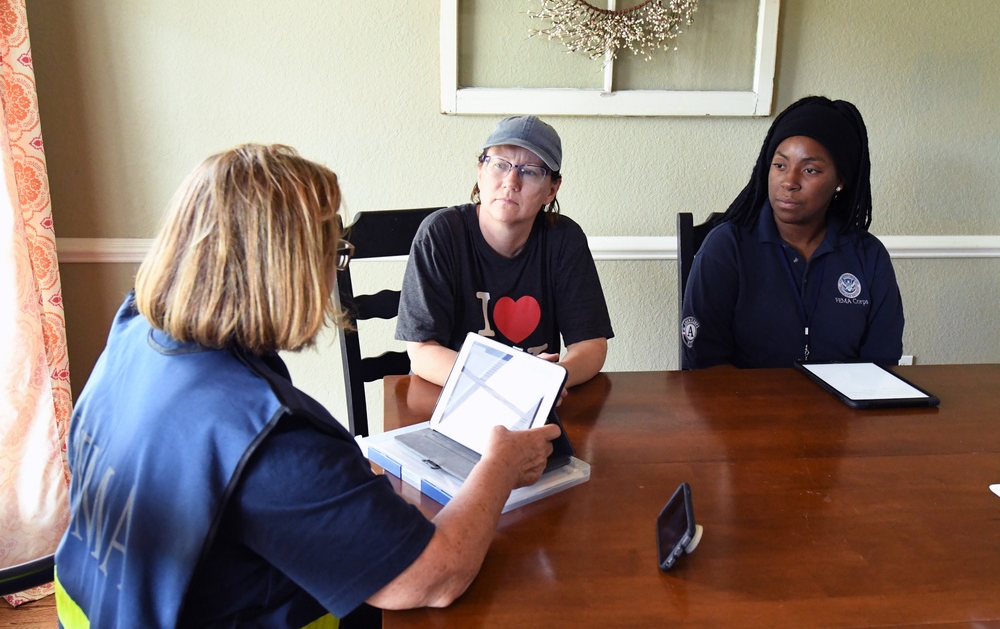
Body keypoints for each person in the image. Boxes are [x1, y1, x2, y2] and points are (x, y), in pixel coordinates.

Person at [54, 144, 561, 628]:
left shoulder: (136, 329)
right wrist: (501, 465)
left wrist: (332, 486)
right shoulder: (271, 437)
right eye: (334, 251)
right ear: (290, 269)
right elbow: (436, 577)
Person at [680, 96, 904, 369]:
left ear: (840, 181)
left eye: (810, 170)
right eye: (780, 165)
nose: (789, 182)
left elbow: (882, 360)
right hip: (744, 407)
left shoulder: (868, 256)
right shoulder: (727, 247)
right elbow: (706, 363)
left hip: (843, 409)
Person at [396, 115, 614, 387]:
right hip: (450, 396)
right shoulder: (439, 234)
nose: (511, 182)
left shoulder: (564, 240)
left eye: (530, 171)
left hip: (534, 400)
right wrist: (504, 384)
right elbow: (422, 352)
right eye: (499, 165)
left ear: (552, 190)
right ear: (480, 171)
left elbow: (591, 345)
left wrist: (554, 380)